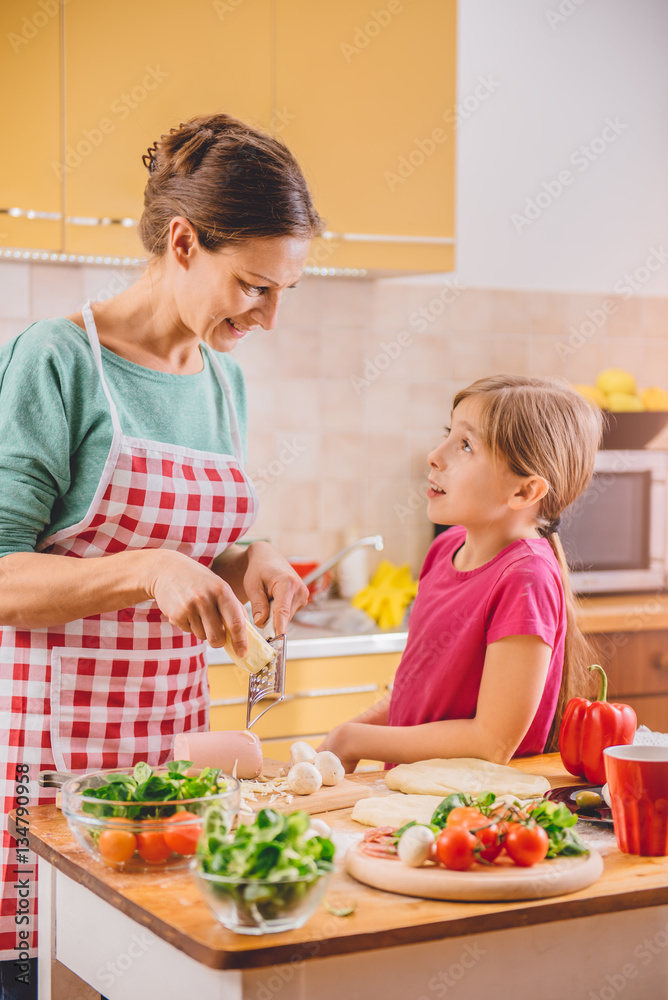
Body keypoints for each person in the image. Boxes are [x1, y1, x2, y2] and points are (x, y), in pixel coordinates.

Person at [0, 113, 322, 996]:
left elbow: (198, 549)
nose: (269, 316)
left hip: (166, 764)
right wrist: (146, 567)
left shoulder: (223, 380)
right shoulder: (57, 359)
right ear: (183, 241)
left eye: (286, 291)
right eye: (254, 286)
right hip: (48, 763)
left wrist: (246, 557)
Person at [319, 375, 603, 772]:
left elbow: (492, 742)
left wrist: (353, 741)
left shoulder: (526, 578)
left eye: (466, 445)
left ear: (523, 492)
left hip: (477, 814)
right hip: (417, 798)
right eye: (447, 434)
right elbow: (416, 695)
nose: (435, 455)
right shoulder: (444, 549)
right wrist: (347, 734)